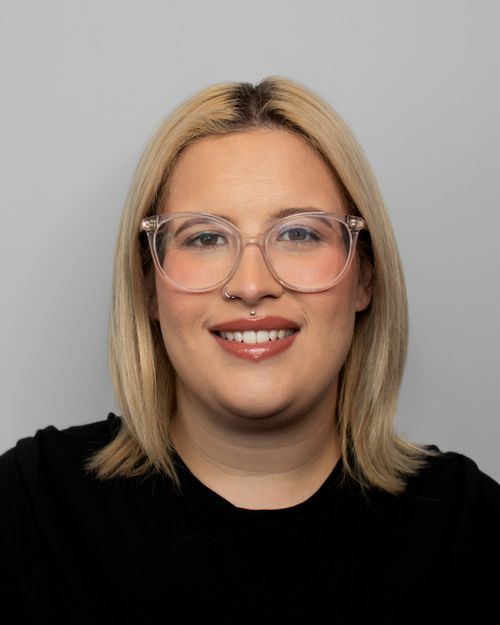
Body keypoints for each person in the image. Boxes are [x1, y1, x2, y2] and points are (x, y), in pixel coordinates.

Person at [1, 76, 499, 625]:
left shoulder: (471, 528)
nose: (252, 284)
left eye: (299, 233)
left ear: (365, 276)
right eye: (205, 237)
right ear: (148, 285)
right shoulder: (29, 507)